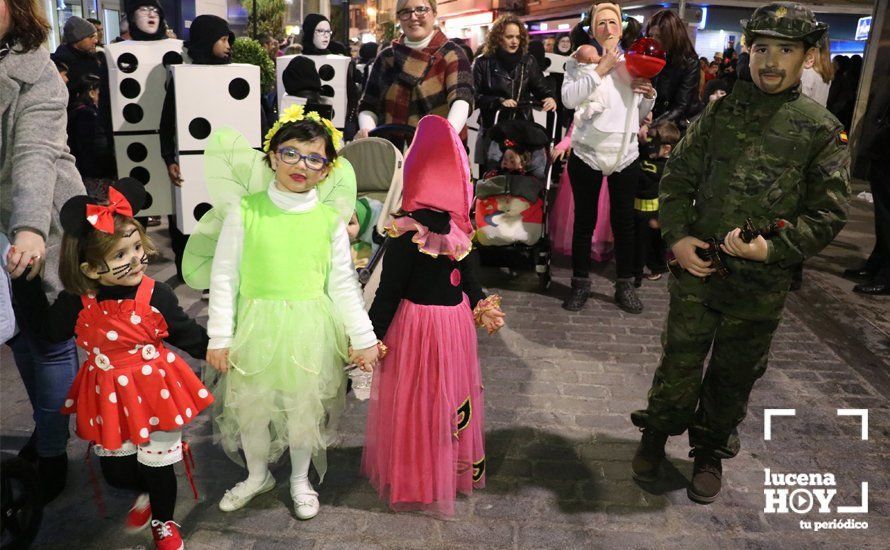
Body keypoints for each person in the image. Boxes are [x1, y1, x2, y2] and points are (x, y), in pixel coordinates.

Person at [630, 3, 850, 505]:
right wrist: (679, 238)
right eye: (762, 48)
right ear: (748, 52)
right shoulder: (720, 114)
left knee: (735, 371)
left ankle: (709, 451)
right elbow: (678, 176)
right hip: (698, 270)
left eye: (786, 50)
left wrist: (772, 247)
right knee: (679, 362)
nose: (771, 61)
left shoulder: (821, 130)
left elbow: (828, 214)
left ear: (808, 56)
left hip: (759, 284)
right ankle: (656, 434)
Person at [10, 179, 212, 549]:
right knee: (117, 473)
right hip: (109, 397)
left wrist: (216, 351)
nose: (136, 259)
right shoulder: (79, 299)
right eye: (121, 255)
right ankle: (148, 492)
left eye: (137, 247)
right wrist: (26, 284)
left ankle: (164, 522)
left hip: (156, 391)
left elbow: (186, 333)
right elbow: (48, 331)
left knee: (158, 466)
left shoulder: (157, 293)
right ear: (89, 268)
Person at [205, 108, 380, 520]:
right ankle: (257, 474)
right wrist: (219, 336)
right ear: (272, 157)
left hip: (308, 331)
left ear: (326, 169)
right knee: (251, 408)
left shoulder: (328, 221)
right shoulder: (245, 211)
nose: (301, 165)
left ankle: (300, 478)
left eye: (314, 158)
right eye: (291, 153)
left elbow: (342, 284)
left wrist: (364, 336)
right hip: (255, 329)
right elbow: (225, 276)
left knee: (302, 409)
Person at [362, 115, 504, 515]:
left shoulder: (457, 231)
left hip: (452, 327)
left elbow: (470, 280)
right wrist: (370, 338)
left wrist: (483, 304)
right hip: (419, 329)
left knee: (441, 402)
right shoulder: (408, 235)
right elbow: (389, 292)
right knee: (420, 402)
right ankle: (417, 475)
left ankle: (439, 471)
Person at [1, 0, 86, 503]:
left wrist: (29, 227)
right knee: (15, 336)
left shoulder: (37, 70)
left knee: (49, 336)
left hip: (43, 215)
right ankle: (45, 428)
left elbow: (35, 151)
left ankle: (53, 448)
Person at [560, 2, 656, 314]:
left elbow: (637, 114)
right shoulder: (579, 61)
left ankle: (625, 284)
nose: (607, 28)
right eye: (600, 23)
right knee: (584, 221)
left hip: (624, 154)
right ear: (591, 29)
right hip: (587, 153)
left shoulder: (636, 63)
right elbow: (569, 99)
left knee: (624, 222)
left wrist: (648, 95)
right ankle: (580, 284)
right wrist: (599, 70)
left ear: (623, 26)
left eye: (612, 22)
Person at [159, 14, 234, 282]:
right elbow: (166, 124)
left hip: (225, 162)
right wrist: (169, 159)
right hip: (192, 161)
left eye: (228, 39)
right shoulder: (182, 77)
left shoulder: (235, 75)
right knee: (191, 219)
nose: (228, 46)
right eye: (222, 39)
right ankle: (191, 271)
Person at [357, 0, 474, 139]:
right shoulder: (386, 58)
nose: (413, 17)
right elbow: (369, 105)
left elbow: (461, 99)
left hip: (439, 151)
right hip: (390, 152)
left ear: (434, 13)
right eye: (406, 12)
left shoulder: (452, 55)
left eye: (421, 9)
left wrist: (446, 135)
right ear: (399, 17)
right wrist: (368, 131)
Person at [472, 14, 556, 172]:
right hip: (493, 125)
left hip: (521, 125)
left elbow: (541, 87)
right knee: (492, 171)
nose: (514, 41)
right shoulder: (482, 62)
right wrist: (498, 101)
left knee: (525, 171)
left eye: (518, 37)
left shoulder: (528, 61)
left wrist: (549, 97)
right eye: (509, 36)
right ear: (498, 38)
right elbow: (473, 95)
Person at [846, 79, 890, 295]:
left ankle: (887, 275)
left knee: (887, 216)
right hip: (883, 152)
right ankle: (877, 263)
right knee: (883, 217)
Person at [633, 120, 679, 285]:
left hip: (654, 211)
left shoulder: (669, 167)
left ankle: (655, 267)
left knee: (653, 243)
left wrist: (661, 216)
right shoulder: (646, 154)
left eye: (654, 144)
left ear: (666, 148)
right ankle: (636, 271)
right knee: (637, 242)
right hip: (637, 206)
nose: (650, 146)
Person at [645, 9, 702, 130]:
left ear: (672, 36)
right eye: (651, 35)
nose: (653, 40)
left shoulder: (690, 62)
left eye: (659, 36)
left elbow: (681, 106)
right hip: (656, 119)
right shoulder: (653, 56)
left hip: (679, 125)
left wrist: (651, 126)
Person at [67, 74, 115, 198]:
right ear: (92, 93)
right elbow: (95, 145)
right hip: (96, 172)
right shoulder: (87, 114)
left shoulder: (80, 112)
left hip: (90, 170)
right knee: (101, 207)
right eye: (101, 92)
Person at [53, 16, 102, 87]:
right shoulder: (61, 64)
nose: (96, 41)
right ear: (77, 39)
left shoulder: (92, 58)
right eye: (91, 37)